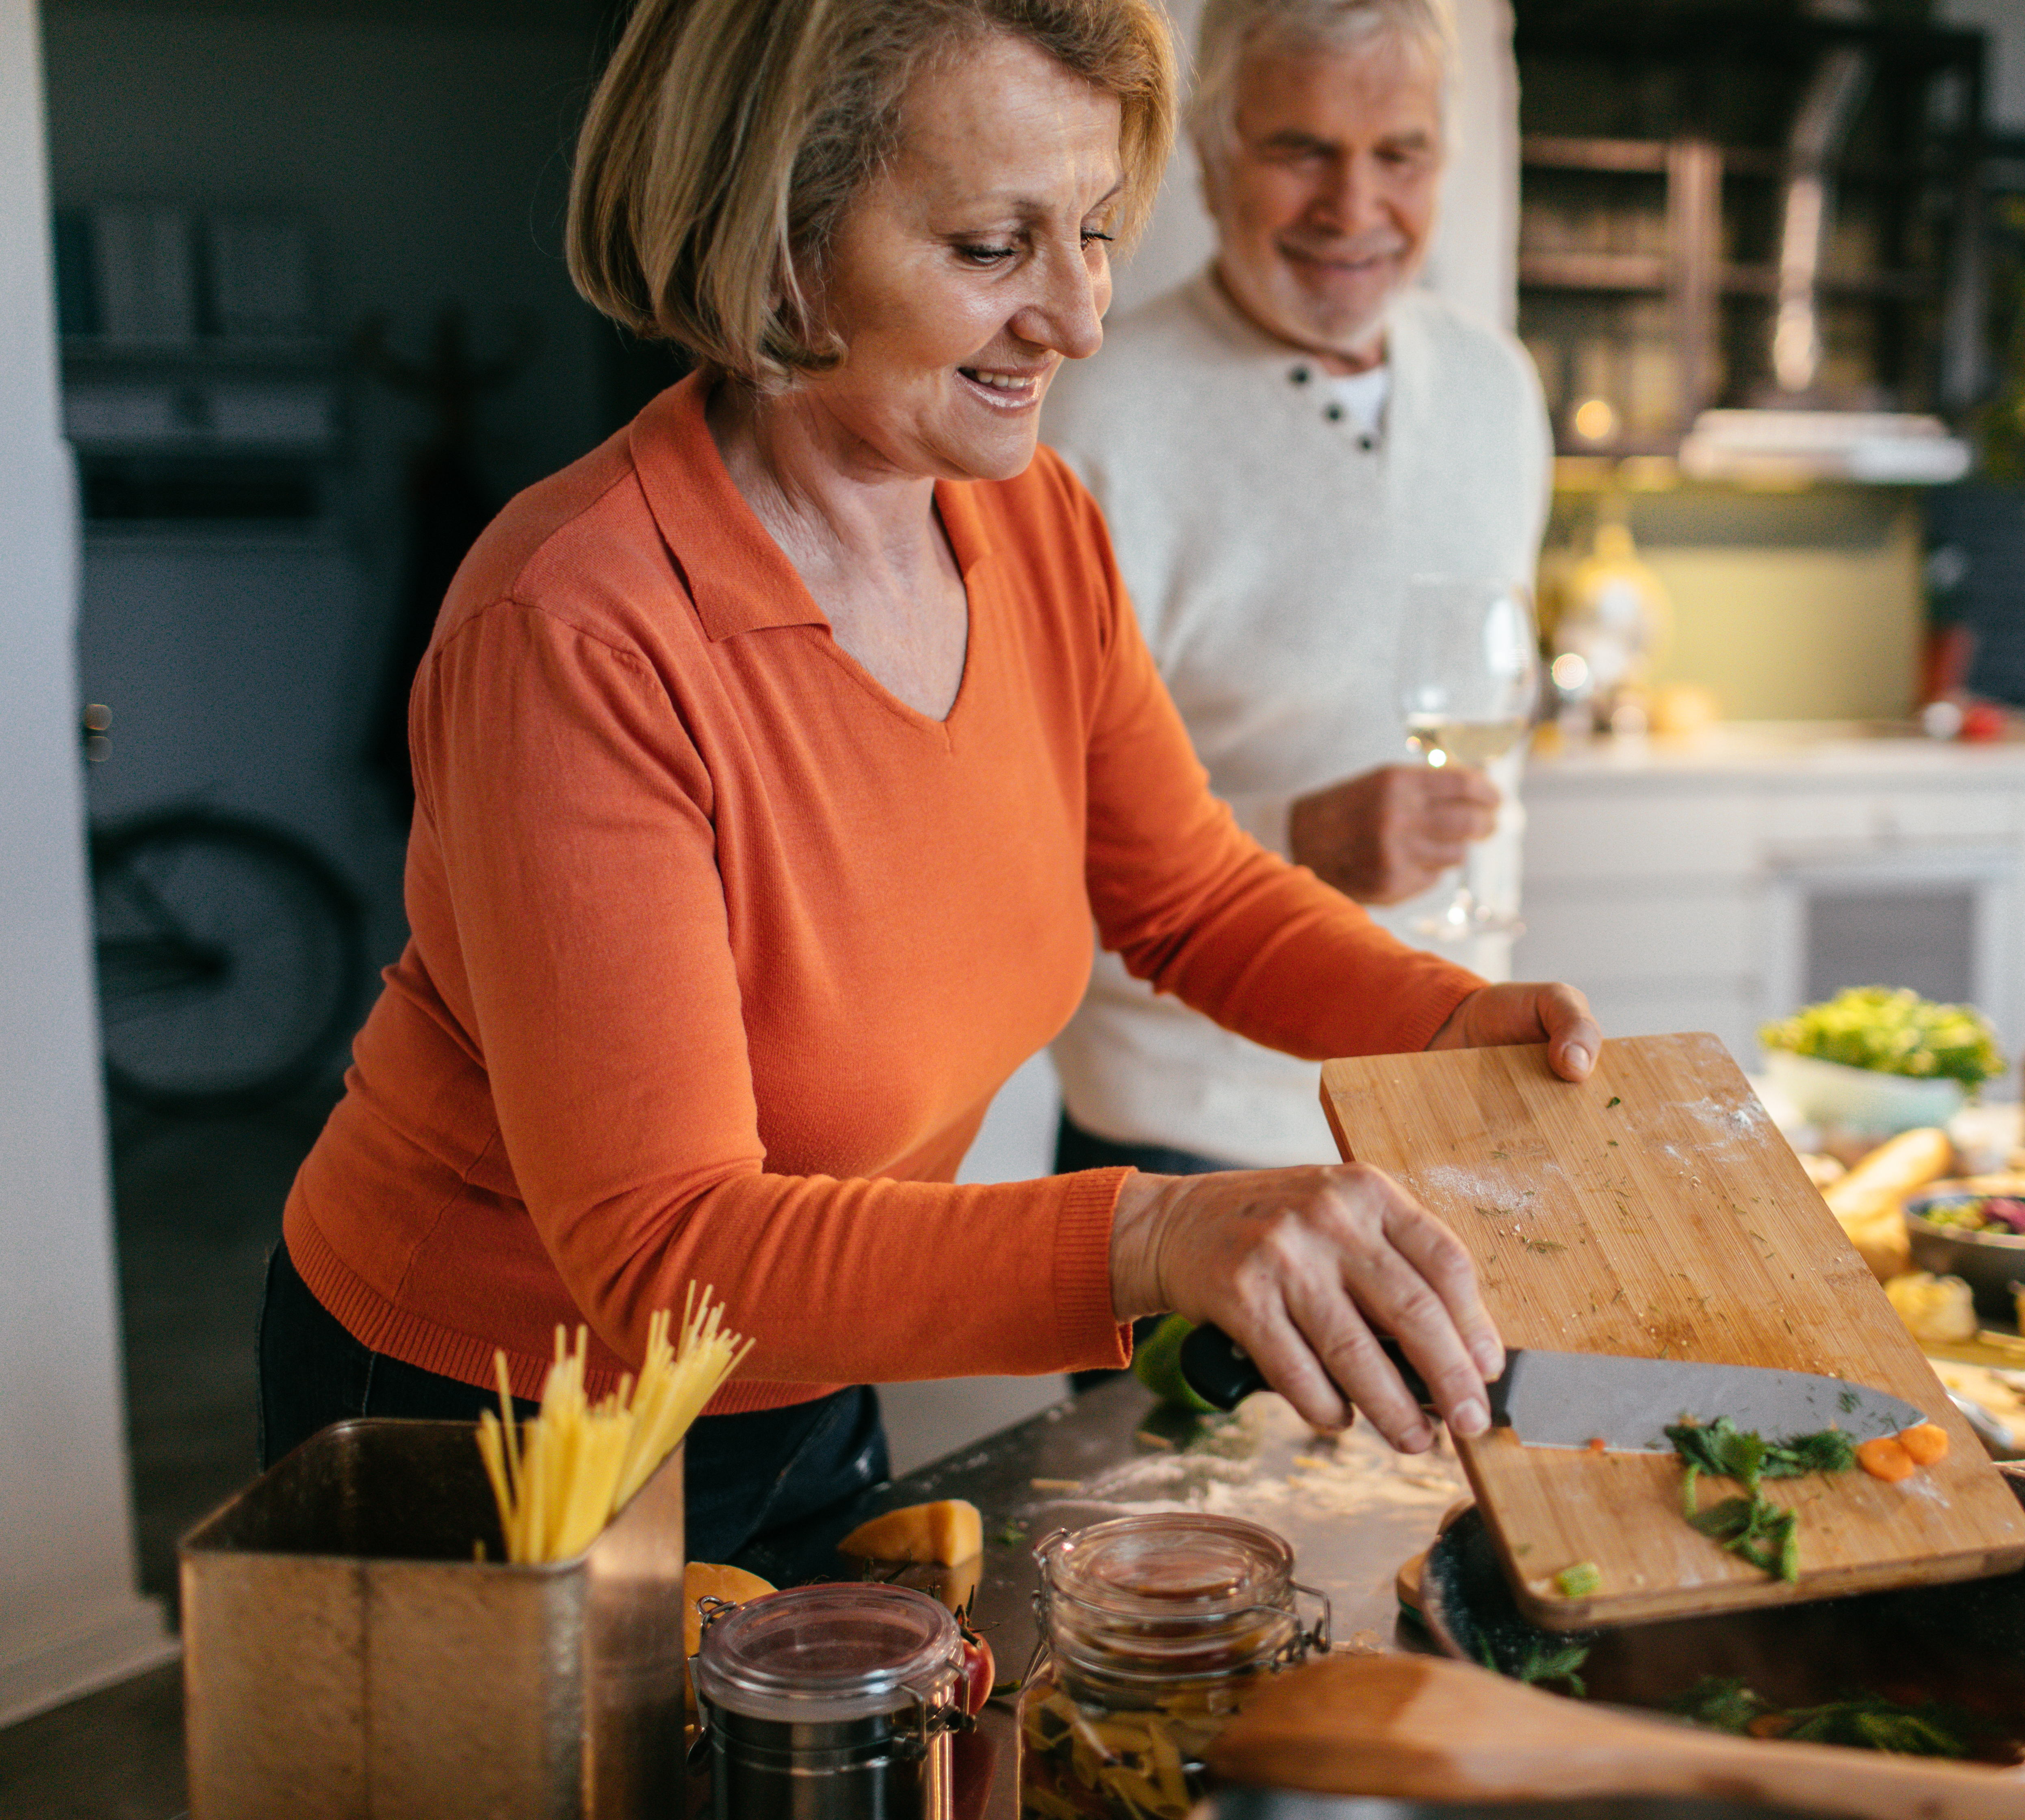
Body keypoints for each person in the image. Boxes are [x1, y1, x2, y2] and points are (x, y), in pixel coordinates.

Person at [257, 0, 1597, 1566]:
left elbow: (1186, 892)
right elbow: (668, 1244)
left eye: (1095, 232)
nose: (1080, 319)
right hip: (491, 1414)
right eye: (989, 249)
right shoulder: (579, 625)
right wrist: (1155, 1229)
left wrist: (1448, 1025)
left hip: (807, 1347)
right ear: (774, 245)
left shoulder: (1030, 526)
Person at [1042, 0, 1552, 1182]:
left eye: (1399, 155)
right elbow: (1024, 831)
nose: (1354, 208)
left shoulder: (1496, 389)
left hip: (1453, 1100)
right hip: (1195, 1137)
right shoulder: (1093, 419)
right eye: (1300, 150)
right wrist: (1293, 844)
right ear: (1213, 167)